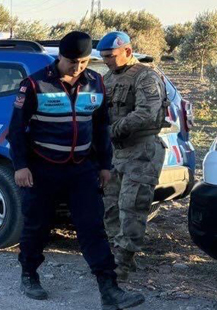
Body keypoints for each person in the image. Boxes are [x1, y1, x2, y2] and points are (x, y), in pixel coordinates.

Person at [8, 31, 144, 309]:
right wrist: (21, 166)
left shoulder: (96, 83)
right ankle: (29, 274)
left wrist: (105, 165)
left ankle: (109, 290)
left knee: (93, 228)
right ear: (60, 56)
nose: (78, 67)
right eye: (72, 61)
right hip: (42, 170)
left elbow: (100, 128)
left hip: (82, 170)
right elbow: (16, 129)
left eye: (83, 62)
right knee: (37, 226)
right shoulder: (34, 84)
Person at [97, 31, 169, 281]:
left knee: (132, 206)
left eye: (110, 56)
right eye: (103, 56)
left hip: (142, 151)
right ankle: (115, 256)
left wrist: (112, 130)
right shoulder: (108, 78)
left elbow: (147, 113)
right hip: (117, 153)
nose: (106, 60)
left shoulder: (146, 76)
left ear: (127, 51)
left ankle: (123, 263)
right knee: (111, 206)